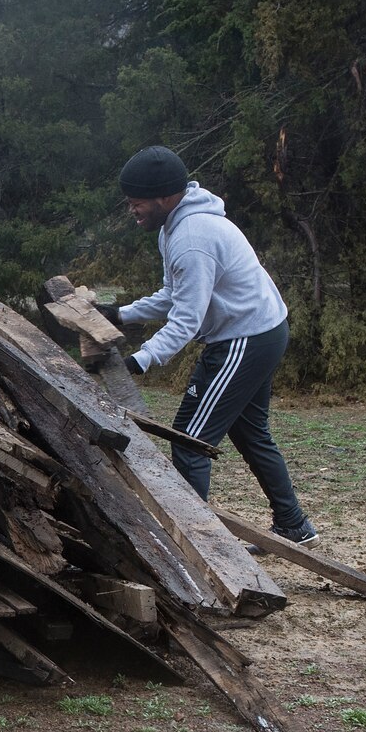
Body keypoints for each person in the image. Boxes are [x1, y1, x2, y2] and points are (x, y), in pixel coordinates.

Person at [107, 144, 316, 544]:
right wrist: (120, 314)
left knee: (189, 440)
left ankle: (194, 546)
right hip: (261, 331)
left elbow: (185, 320)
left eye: (138, 204)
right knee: (251, 434)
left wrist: (140, 360)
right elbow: (176, 294)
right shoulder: (175, 229)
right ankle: (293, 524)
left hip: (245, 338)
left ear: (165, 197)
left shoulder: (191, 237)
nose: (133, 211)